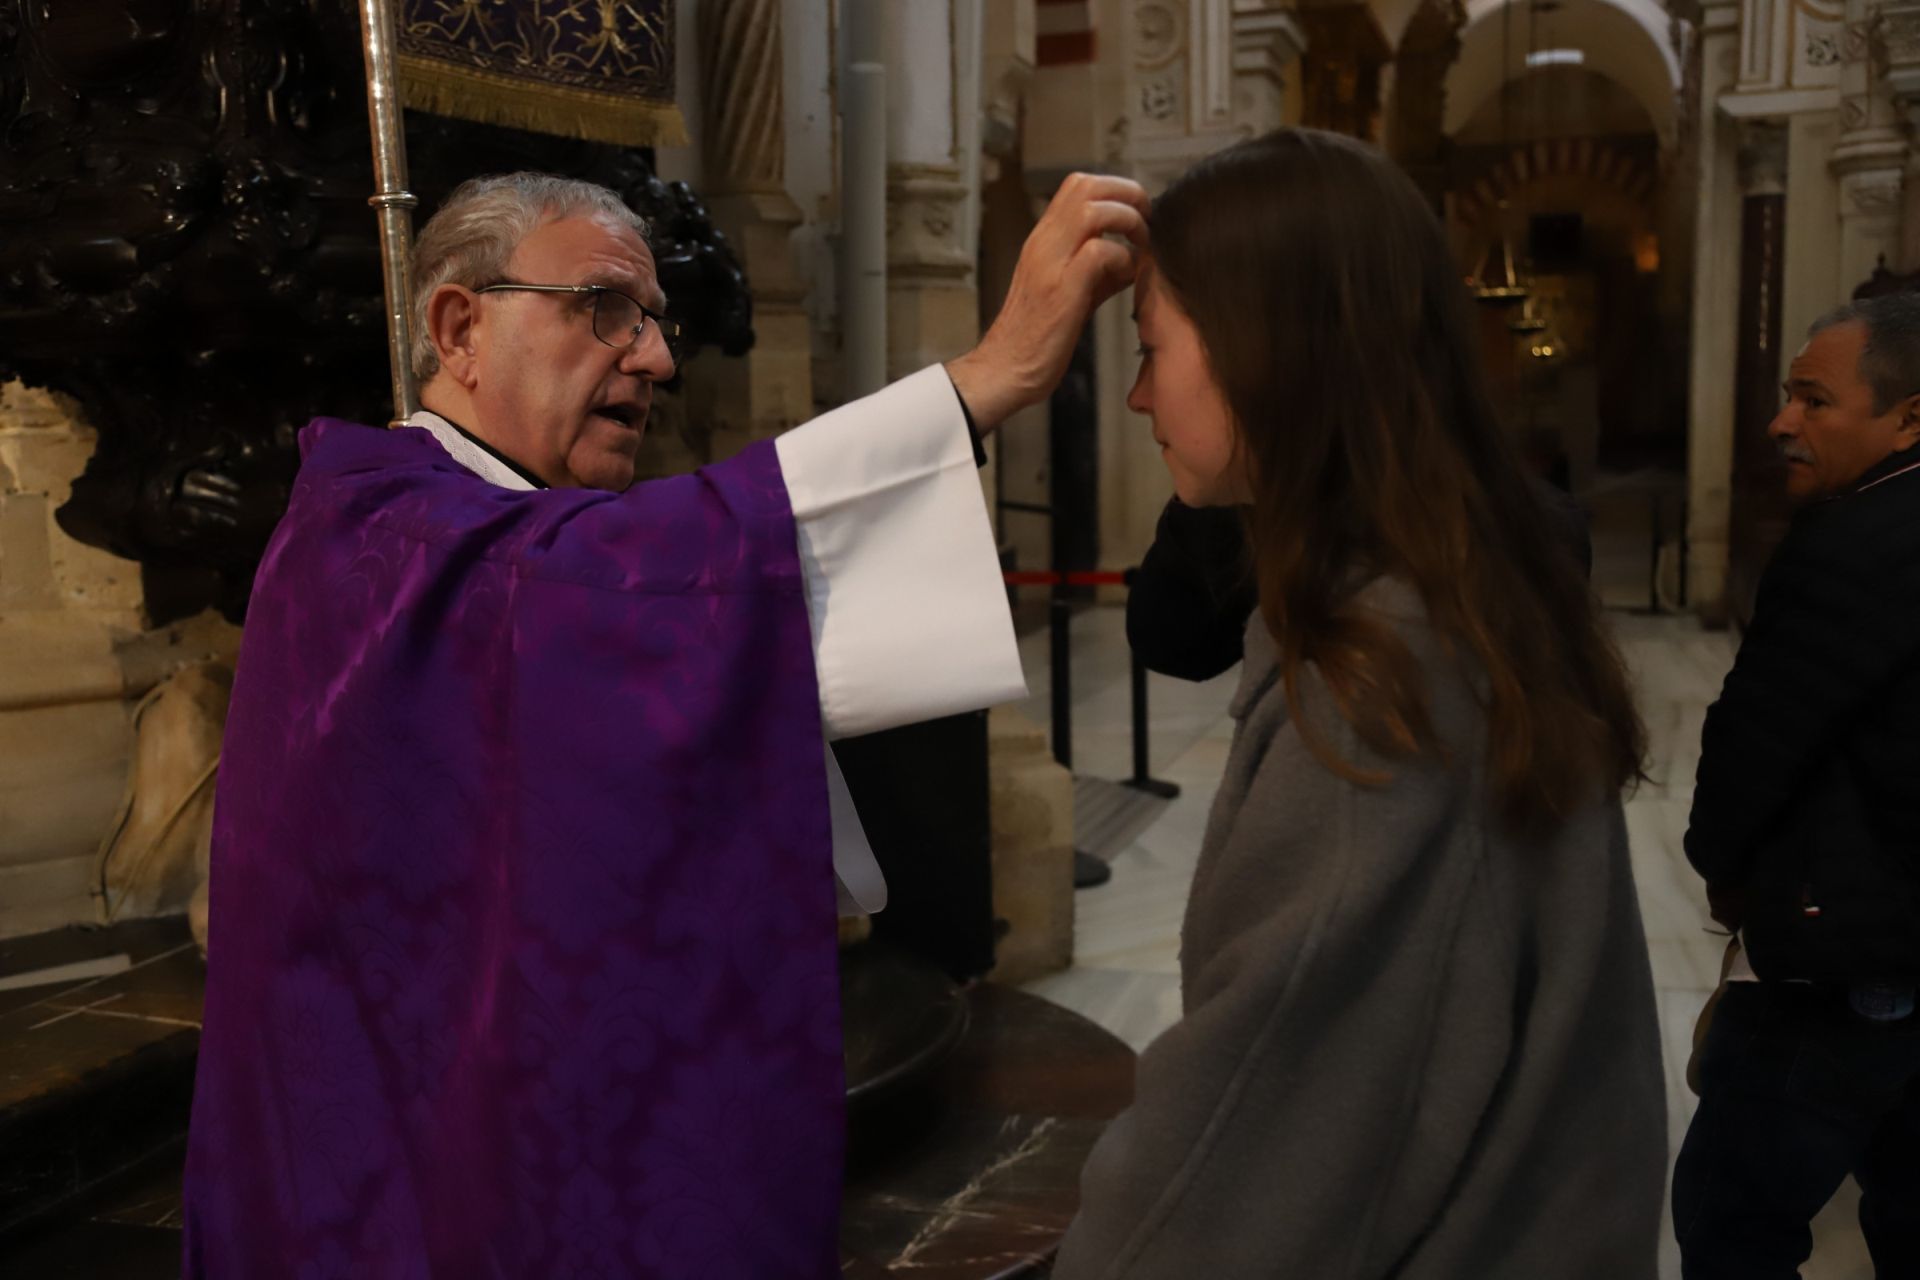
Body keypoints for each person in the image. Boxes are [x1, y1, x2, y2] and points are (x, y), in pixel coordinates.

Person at [181, 169, 1147, 1278]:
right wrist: (984, 378)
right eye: (603, 308)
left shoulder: (460, 533)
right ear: (460, 328)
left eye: (653, 322)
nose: (654, 358)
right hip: (382, 1170)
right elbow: (600, 581)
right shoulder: (388, 538)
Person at [1049, 128, 1665, 1279]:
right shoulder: (1458, 583)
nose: (1135, 394)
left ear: (1261, 351)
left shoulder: (1384, 674)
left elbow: (1248, 1150)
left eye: (1153, 346)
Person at [1672, 294, 1920, 1278]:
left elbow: (1759, 744)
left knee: (1732, 1218)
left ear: (1910, 417)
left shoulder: (1857, 542)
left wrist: (1720, 865)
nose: (1782, 420)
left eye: (1814, 399)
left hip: (1846, 967)